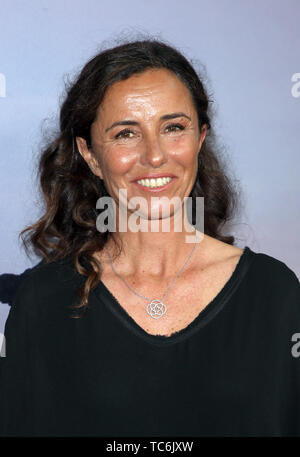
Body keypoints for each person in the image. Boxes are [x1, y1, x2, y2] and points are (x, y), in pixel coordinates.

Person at [0, 39, 299, 438]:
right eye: (126, 133)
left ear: (201, 138)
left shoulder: (273, 293)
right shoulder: (43, 302)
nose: (155, 155)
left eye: (174, 128)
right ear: (89, 155)